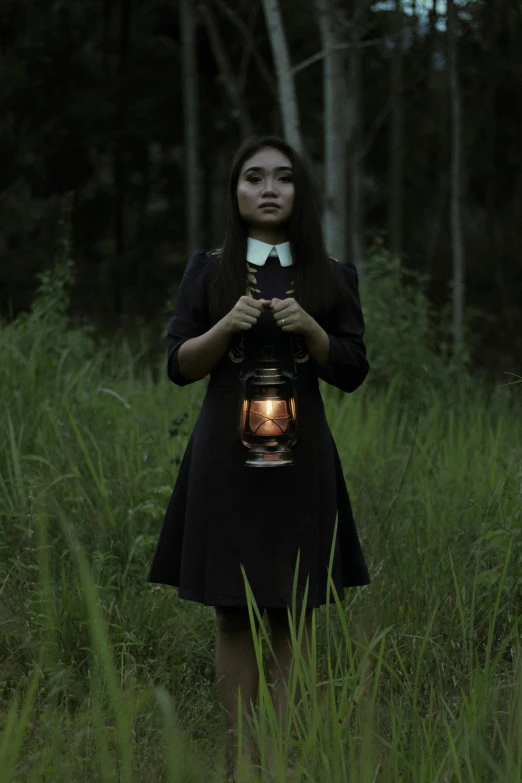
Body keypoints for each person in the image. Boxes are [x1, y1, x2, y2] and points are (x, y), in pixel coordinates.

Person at [147, 136, 370, 780]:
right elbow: (178, 366)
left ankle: (277, 758)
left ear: (300, 193)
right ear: (235, 192)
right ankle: (240, 760)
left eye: (283, 178)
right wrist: (225, 327)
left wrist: (314, 330)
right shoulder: (209, 270)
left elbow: (353, 370)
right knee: (233, 610)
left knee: (292, 608)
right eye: (253, 177)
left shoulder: (330, 273)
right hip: (225, 459)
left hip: (302, 464)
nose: (269, 189)